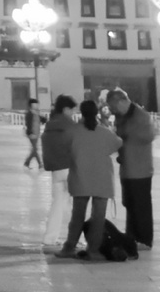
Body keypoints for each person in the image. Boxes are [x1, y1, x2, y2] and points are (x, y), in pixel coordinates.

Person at [61, 99, 128, 261]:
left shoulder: (72, 132)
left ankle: (69, 247)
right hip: (102, 180)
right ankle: (93, 250)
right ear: (96, 113)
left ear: (81, 113)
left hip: (80, 178)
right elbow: (118, 143)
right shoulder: (105, 132)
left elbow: (64, 149)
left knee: (77, 215)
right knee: (98, 219)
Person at [107, 88, 155, 250]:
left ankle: (144, 239)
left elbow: (149, 136)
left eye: (113, 106)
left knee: (141, 205)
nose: (112, 110)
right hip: (127, 167)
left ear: (121, 101)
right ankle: (132, 235)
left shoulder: (141, 116)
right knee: (129, 204)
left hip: (140, 169)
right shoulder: (121, 116)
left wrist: (125, 136)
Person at [40, 95, 78, 250]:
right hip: (70, 168)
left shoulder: (49, 126)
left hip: (56, 170)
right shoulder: (71, 126)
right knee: (76, 205)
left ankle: (50, 238)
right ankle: (78, 237)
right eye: (71, 110)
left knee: (57, 203)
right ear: (65, 109)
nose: (73, 113)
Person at [24, 101, 45, 171]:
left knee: (34, 150)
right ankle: (40, 164)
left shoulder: (36, 113)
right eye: (35, 105)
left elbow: (43, 120)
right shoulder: (29, 114)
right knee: (35, 150)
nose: (37, 106)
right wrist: (30, 133)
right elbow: (28, 124)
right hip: (32, 134)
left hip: (36, 133)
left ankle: (27, 163)